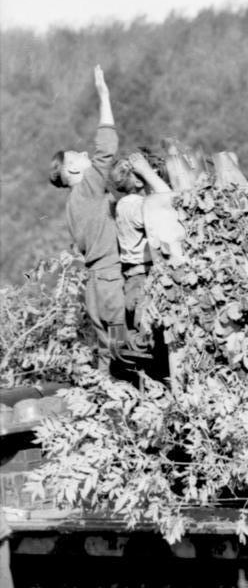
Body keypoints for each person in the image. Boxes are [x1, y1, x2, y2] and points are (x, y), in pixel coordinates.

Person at [49, 65, 128, 373]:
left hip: (96, 285)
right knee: (123, 348)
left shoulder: (72, 205)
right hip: (110, 281)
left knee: (109, 352)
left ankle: (110, 395)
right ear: (72, 171)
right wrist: (104, 96)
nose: (84, 153)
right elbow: (106, 148)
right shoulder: (87, 188)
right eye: (77, 155)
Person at [111, 151, 172, 331]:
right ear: (138, 181)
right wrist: (148, 173)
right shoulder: (133, 205)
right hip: (141, 283)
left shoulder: (129, 203)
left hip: (138, 280)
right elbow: (170, 201)